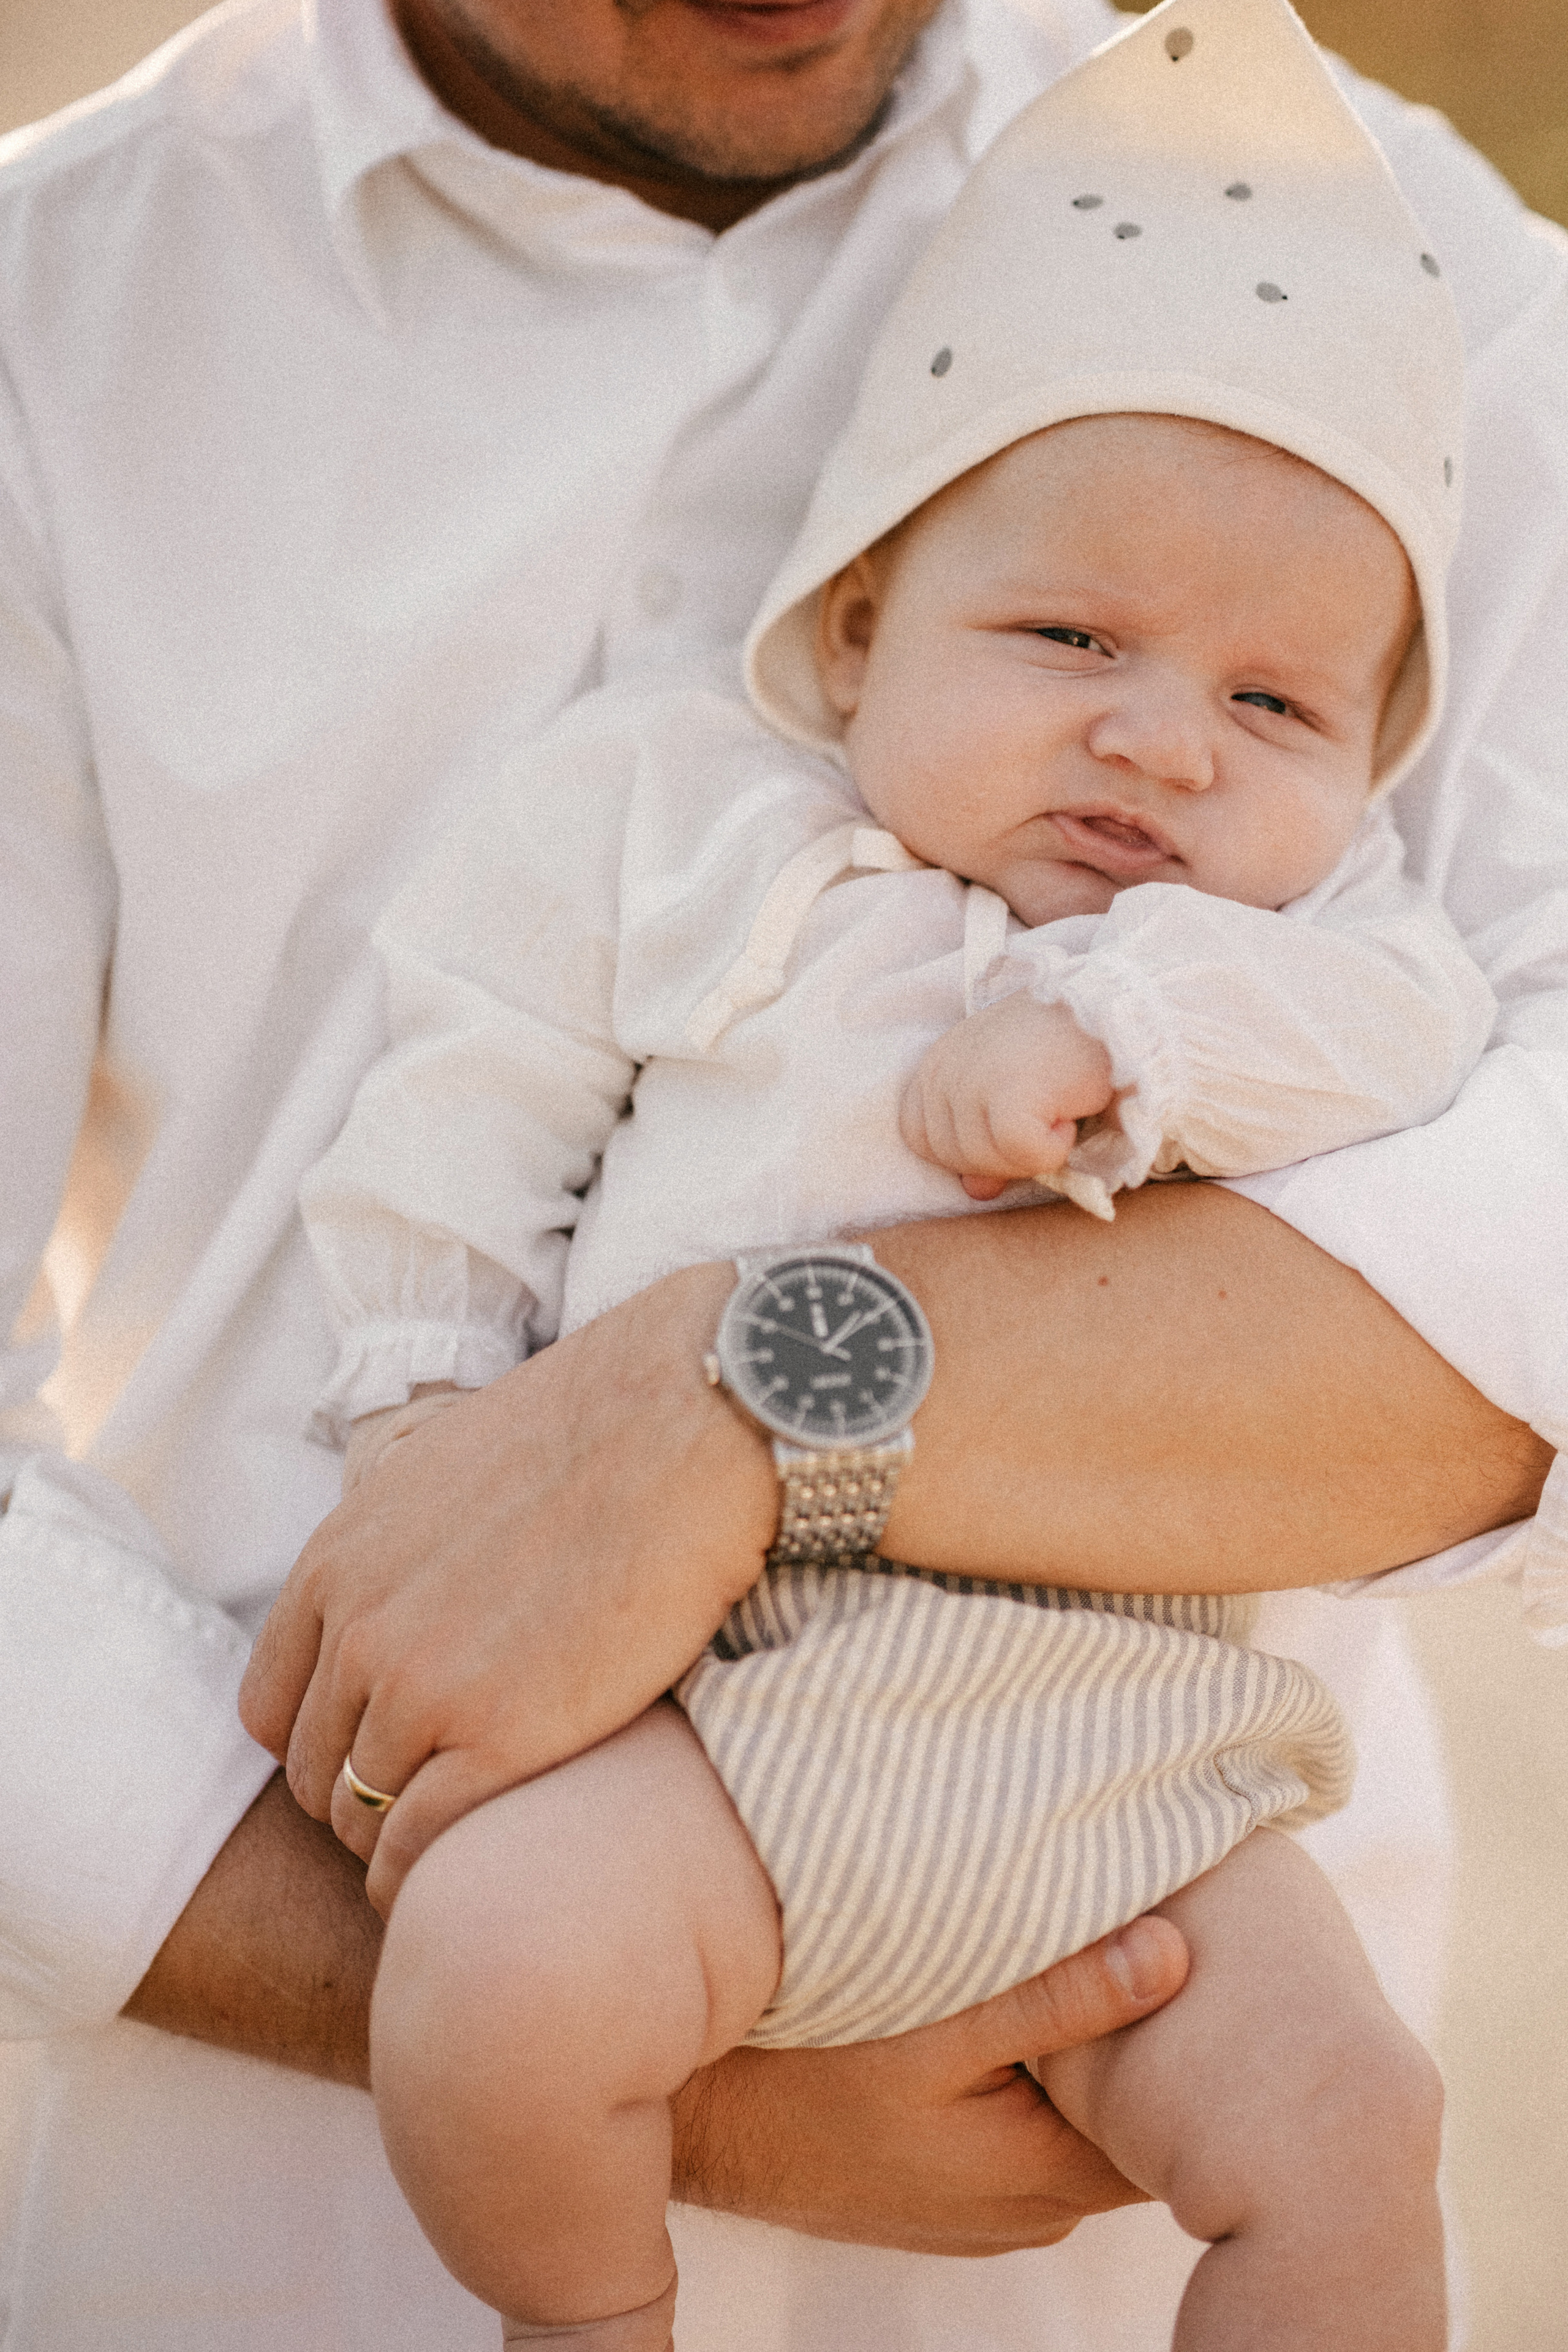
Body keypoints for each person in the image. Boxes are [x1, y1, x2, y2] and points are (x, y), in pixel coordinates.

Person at [0, 0, 1561, 2343]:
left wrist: (748, 1404)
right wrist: (629, 2061)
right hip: (303, 2161)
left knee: (1353, 2148)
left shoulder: (1381, 255)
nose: (1163, 739)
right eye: (1067, 636)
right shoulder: (59, 323)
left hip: (1134, 1937)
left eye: (1262, 705)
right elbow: (464, 1121)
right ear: (855, 635)